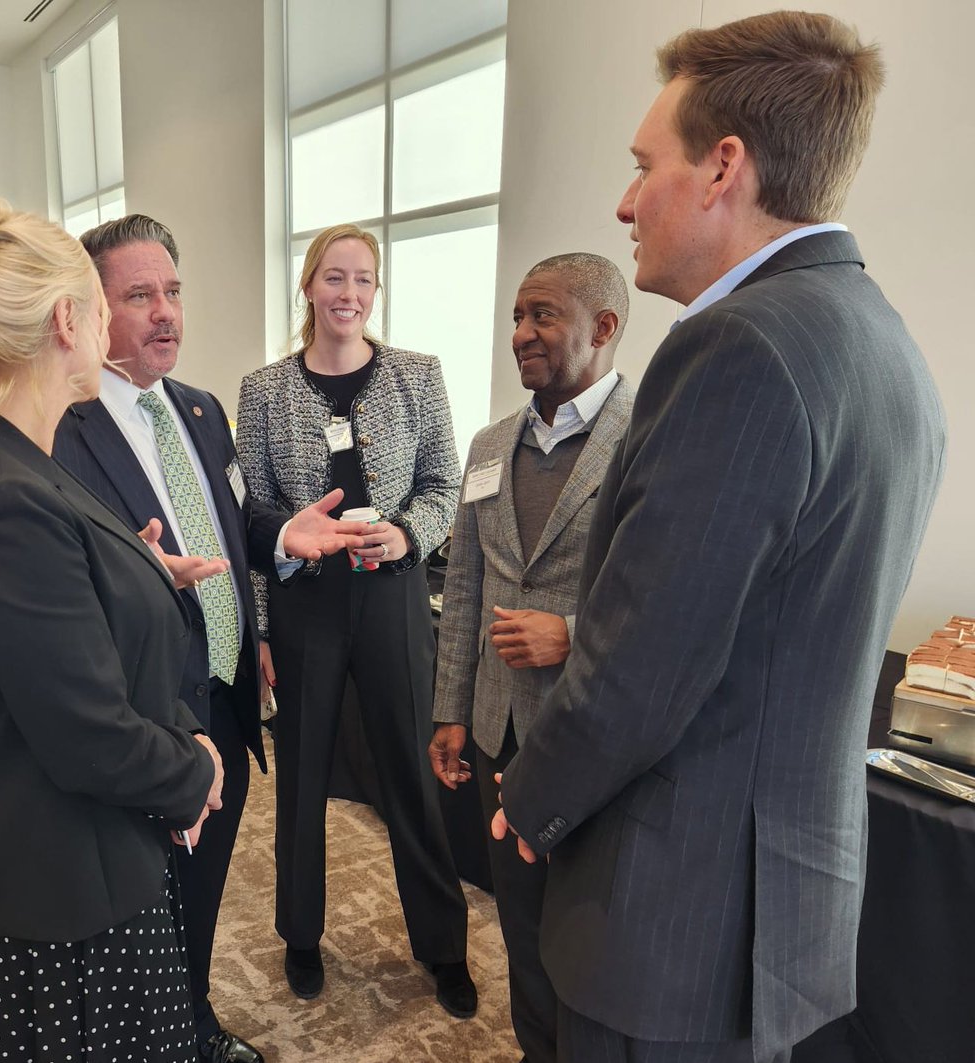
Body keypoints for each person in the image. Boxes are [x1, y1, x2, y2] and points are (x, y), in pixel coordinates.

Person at [494, 12, 947, 1063]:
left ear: (722, 168)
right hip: (782, 906)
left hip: (672, 918)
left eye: (644, 164)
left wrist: (532, 797)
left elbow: (640, 664)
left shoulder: (735, 349)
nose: (624, 200)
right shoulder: (887, 346)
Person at [0, 194, 223, 1063]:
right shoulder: (2, 493)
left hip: (72, 868)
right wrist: (195, 768)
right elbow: (87, 736)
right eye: (103, 303)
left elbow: (50, 611)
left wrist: (137, 576)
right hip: (67, 897)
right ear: (67, 320)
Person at [53, 213, 364, 1063]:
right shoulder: (64, 432)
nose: (166, 314)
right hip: (147, 714)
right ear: (88, 309)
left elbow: (224, 519)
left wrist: (276, 539)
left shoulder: (199, 405)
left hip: (226, 695)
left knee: (199, 890)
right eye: (139, 295)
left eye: (174, 292)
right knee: (138, 903)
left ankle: (186, 1022)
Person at [234, 222, 475, 1019]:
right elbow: (256, 517)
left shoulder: (416, 374)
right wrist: (262, 628)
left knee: (409, 769)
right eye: (334, 278)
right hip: (306, 601)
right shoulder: (264, 390)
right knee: (301, 773)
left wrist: (411, 531)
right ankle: (301, 935)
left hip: (392, 594)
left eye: (364, 280)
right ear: (307, 286)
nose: (349, 294)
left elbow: (445, 482)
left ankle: (443, 945)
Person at [430, 253, 634, 1063]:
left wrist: (573, 634)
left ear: (604, 326)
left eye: (543, 316)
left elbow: (672, 596)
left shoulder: (648, 438)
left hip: (595, 733)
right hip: (498, 726)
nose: (521, 334)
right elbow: (467, 587)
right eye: (517, 315)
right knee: (518, 918)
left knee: (588, 928)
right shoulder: (489, 445)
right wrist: (450, 709)